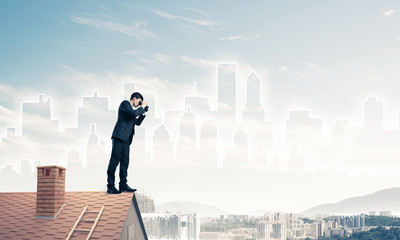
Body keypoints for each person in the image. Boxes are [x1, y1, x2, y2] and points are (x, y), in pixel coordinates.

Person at [106, 92, 148, 194]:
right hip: (119, 136)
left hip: (127, 140)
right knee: (114, 161)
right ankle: (110, 186)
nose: (139, 104)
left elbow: (137, 122)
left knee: (125, 163)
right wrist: (141, 108)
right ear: (134, 98)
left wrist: (143, 112)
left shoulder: (132, 112)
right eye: (139, 102)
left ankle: (123, 185)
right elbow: (133, 113)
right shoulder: (125, 104)